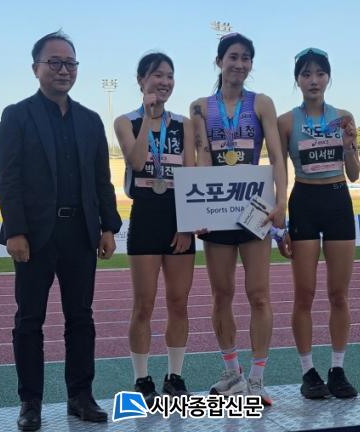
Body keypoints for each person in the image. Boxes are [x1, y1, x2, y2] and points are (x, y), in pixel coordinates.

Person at [0, 30, 122, 430]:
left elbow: (101, 180)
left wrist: (108, 226)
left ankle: (80, 396)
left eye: (70, 63)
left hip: (80, 233)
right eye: (54, 62)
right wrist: (15, 231)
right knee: (29, 321)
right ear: (36, 68)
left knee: (81, 319)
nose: (63, 70)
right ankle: (30, 402)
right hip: (34, 237)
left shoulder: (90, 121)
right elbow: (7, 178)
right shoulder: (17, 116)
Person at [189, 33, 287, 406]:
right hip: (217, 208)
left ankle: (258, 379)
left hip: (255, 207)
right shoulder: (200, 107)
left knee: (259, 294)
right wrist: (199, 211)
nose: (240, 64)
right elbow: (202, 156)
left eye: (246, 58)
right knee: (221, 294)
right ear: (219, 61)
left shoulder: (261, 103)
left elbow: (276, 156)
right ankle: (232, 372)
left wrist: (282, 200)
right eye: (233, 57)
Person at [277, 47, 360, 400]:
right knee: (305, 294)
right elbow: (279, 173)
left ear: (328, 77)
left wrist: (349, 145)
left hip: (338, 200)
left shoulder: (343, 117)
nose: (313, 80)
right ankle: (308, 371)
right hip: (304, 202)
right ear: (297, 79)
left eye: (320, 73)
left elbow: (354, 174)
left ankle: (337, 369)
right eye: (306, 74)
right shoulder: (286, 122)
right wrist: (279, 224)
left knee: (339, 294)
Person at [114, 52, 196, 404]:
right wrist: (149, 118)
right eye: (157, 75)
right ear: (141, 80)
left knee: (178, 302)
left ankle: (174, 376)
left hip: (177, 218)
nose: (164, 82)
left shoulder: (184, 125)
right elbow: (136, 161)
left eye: (169, 76)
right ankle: (142, 378)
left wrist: (187, 225)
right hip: (145, 215)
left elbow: (190, 175)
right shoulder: (125, 122)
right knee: (143, 304)